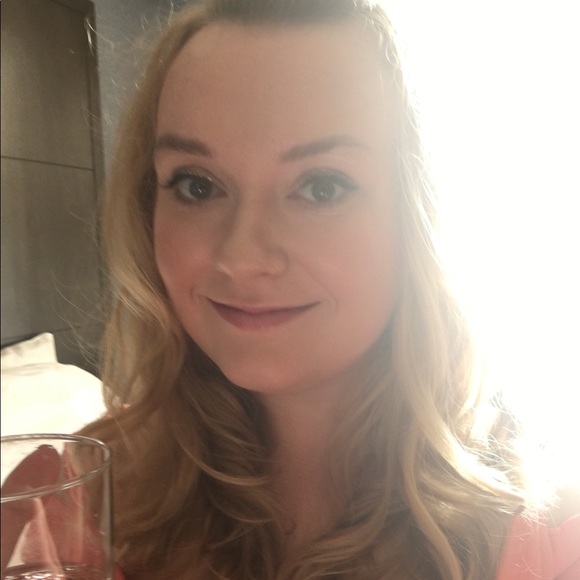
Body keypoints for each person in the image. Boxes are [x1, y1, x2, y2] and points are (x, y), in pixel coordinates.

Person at [74, 0, 579, 578]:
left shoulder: (550, 537)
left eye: (321, 187)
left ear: (418, 218)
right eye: (197, 185)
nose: (241, 258)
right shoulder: (72, 493)